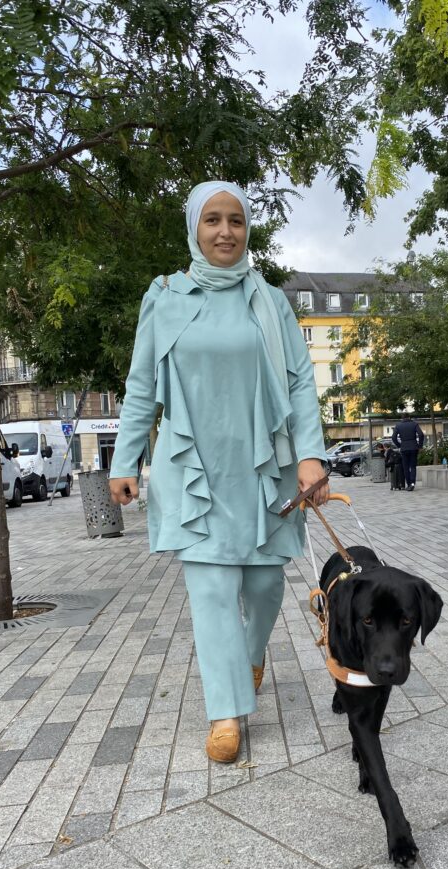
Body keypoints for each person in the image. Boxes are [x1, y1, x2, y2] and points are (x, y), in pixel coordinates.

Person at [108, 181, 328, 763]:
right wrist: (124, 459)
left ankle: (250, 655)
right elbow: (140, 387)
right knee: (210, 588)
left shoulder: (270, 300)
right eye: (212, 220)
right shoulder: (164, 298)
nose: (225, 231)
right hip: (192, 466)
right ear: (194, 228)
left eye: (235, 220)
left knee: (264, 583)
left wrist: (312, 454)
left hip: (264, 466)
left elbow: (302, 382)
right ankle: (225, 712)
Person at [392, 413, 424, 490]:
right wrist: (420, 446)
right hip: (413, 447)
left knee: (405, 467)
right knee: (413, 466)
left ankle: (409, 484)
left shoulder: (398, 425)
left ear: (402, 418)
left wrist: (399, 445)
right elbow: (421, 434)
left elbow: (393, 437)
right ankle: (412, 483)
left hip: (404, 448)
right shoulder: (414, 424)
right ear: (409, 417)